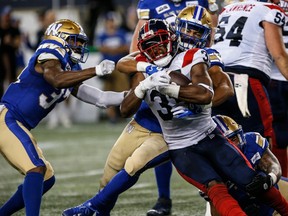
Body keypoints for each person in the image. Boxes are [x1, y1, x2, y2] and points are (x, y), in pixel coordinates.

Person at [63, 19, 288, 216]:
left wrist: (177, 93)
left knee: (249, 181)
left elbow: (210, 92)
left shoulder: (195, 56)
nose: (158, 49)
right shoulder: (145, 64)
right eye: (151, 46)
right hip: (173, 139)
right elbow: (123, 92)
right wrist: (144, 83)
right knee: (213, 187)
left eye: (197, 32)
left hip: (203, 134)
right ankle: (98, 206)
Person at [0, 19, 126, 216]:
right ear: (61, 38)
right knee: (36, 169)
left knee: (47, 178)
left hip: (17, 123)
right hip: (7, 118)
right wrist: (96, 70)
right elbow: (56, 79)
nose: (79, 47)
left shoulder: (69, 69)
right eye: (75, 41)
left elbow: (101, 98)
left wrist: (137, 93)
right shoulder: (50, 51)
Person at [130, 1, 219, 214]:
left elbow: (213, 31)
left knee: (214, 133)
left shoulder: (204, 3)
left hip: (196, 65)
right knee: (165, 137)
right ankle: (164, 198)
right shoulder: (150, 4)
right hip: (167, 67)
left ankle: (215, 196)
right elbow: (135, 49)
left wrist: (204, 58)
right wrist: (151, 68)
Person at [210, 0, 288, 174]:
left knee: (222, 143)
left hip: (216, 79)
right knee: (261, 144)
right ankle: (268, 197)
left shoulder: (227, 9)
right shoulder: (269, 10)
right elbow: (280, 56)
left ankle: (224, 197)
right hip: (244, 82)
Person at [203, 114, 288, 216]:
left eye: (234, 138)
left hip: (272, 192)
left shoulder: (252, 141)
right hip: (237, 203)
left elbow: (273, 166)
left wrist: (270, 179)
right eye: (226, 142)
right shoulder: (207, 164)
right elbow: (217, 208)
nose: (233, 145)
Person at [95, 11, 130, 123]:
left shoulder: (121, 33)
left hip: (119, 66)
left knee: (121, 87)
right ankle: (113, 115)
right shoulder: (102, 35)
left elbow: (126, 48)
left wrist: (111, 50)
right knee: (109, 88)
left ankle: (122, 112)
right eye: (108, 21)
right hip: (106, 67)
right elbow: (101, 49)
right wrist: (116, 49)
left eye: (112, 21)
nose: (110, 23)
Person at [266, 0, 288, 177]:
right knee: (278, 137)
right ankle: (285, 182)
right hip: (273, 76)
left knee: (279, 136)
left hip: (273, 76)